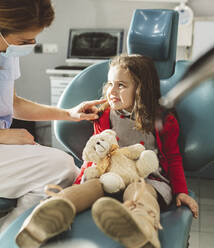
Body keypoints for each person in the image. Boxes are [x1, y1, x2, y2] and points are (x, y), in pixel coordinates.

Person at [0, 0, 105, 247]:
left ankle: (0, 242)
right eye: (25, 41)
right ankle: (5, 243)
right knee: (59, 169)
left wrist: (68, 113)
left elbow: (9, 102)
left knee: (70, 174)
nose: (31, 46)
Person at [15, 54, 199, 248]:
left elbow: (173, 157)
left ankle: (142, 231)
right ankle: (45, 220)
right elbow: (96, 154)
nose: (112, 91)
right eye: (110, 83)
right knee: (89, 187)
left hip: (146, 179)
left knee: (138, 191)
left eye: (121, 85)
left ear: (141, 88)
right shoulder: (103, 114)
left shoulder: (163, 120)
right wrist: (78, 184)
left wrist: (181, 192)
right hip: (108, 177)